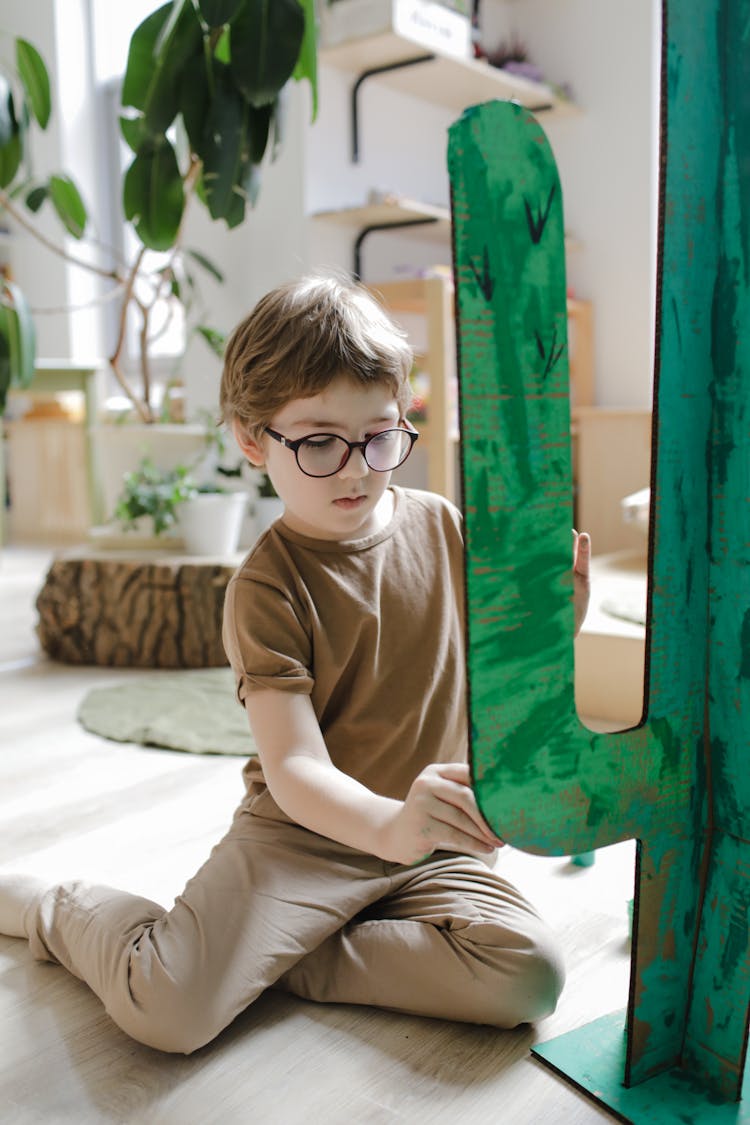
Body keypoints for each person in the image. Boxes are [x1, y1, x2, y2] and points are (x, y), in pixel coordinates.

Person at [0, 273, 590, 1054]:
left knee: (530, 975)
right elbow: (296, 770)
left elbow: (506, 677)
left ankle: (270, 961)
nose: (355, 469)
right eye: (318, 442)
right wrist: (389, 823)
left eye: (379, 437)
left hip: (427, 846)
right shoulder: (265, 587)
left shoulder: (444, 525)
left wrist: (561, 622)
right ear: (253, 439)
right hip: (307, 838)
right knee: (167, 1012)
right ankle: (56, 906)